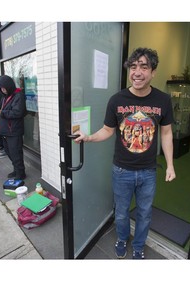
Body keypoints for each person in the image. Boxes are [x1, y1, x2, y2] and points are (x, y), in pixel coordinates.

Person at [73, 48, 176, 259]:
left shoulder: (163, 100)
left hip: (148, 171)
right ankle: (122, 238)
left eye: (144, 67)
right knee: (121, 213)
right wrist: (89, 137)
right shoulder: (117, 100)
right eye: (133, 67)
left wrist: (170, 165)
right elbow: (108, 130)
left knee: (145, 214)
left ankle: (138, 246)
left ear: (153, 72)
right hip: (121, 170)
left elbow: (166, 134)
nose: (137, 72)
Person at [0, 75, 27, 180]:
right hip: (6, 130)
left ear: (9, 85)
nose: (3, 90)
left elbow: (18, 112)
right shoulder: (5, 96)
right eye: (1, 88)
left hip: (14, 130)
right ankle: (16, 170)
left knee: (16, 153)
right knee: (9, 152)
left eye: (4, 87)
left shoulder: (18, 95)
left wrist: (1, 112)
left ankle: (21, 173)